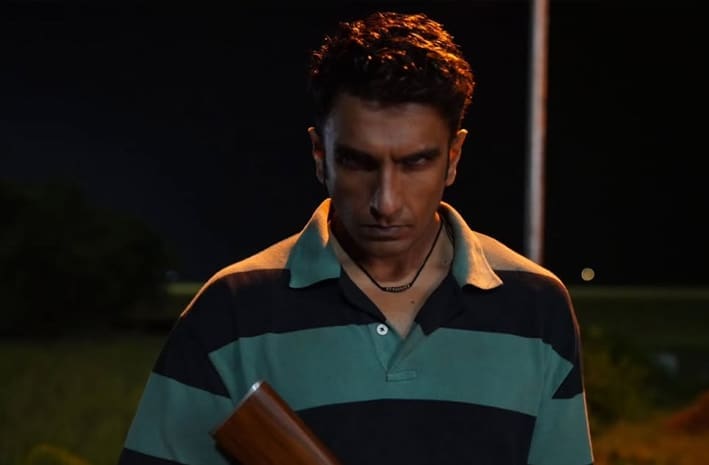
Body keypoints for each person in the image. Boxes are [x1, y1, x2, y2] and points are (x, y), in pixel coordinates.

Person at [118, 10, 594, 465]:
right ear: (319, 155)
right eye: (358, 162)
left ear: (454, 157)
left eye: (415, 162)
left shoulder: (536, 307)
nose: (386, 202)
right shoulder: (230, 313)